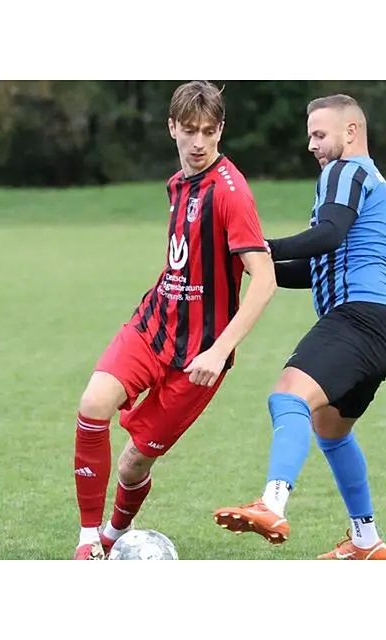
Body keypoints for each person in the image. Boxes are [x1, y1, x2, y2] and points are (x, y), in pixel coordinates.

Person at [72, 80, 276, 559]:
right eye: (189, 130)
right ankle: (86, 542)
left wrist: (220, 349)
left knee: (134, 463)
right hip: (153, 325)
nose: (199, 142)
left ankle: (114, 535)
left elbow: (263, 280)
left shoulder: (232, 193)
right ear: (172, 129)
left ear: (221, 130)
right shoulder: (177, 182)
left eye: (208, 131)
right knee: (93, 404)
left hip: (200, 356)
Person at [213, 94, 386, 560]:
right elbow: (321, 263)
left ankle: (272, 502)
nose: (312, 145)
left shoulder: (346, 172)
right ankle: (365, 540)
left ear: (351, 132)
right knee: (332, 432)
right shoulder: (367, 181)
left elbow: (327, 236)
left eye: (319, 134)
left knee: (288, 396)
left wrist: (257, 246)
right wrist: (257, 268)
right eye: (310, 136)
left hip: (359, 319)